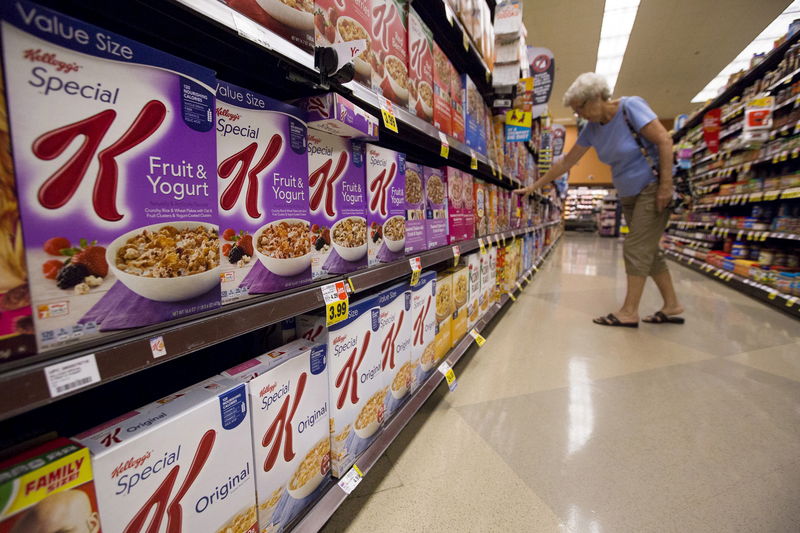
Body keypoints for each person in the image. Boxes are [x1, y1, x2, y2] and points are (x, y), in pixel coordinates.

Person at [514, 72, 684, 327]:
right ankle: (672, 306)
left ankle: (629, 311)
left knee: (636, 248)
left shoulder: (630, 107)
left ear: (595, 97)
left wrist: (666, 187)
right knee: (649, 249)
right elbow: (567, 162)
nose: (579, 115)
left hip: (651, 187)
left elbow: (664, 140)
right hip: (627, 193)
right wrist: (534, 186)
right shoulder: (591, 129)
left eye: (580, 108)